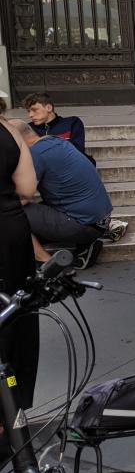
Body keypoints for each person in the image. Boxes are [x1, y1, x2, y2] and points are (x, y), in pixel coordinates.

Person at [10, 121, 110, 269]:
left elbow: (23, 197)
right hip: (99, 221)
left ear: (16, 138)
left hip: (82, 224)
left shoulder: (35, 154)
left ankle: (47, 263)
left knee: (10, 213)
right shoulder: (54, 141)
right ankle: (85, 247)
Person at [0, 114, 40, 416]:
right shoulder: (8, 129)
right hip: (9, 230)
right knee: (16, 315)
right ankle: (11, 412)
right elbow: (27, 188)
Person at [23, 92, 87, 154]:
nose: (30, 115)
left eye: (34, 110)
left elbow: (77, 151)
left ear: (49, 108)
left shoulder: (72, 123)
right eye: (28, 111)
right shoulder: (28, 128)